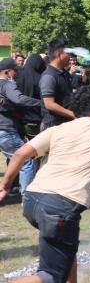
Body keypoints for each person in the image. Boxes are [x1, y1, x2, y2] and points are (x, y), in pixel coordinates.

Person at [0, 85, 90, 283]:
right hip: (60, 207)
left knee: (67, 250)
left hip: (33, 200)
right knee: (50, 276)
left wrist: (4, 187)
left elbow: (20, 154)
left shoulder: (57, 130)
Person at [0, 58, 42, 194]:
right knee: (25, 160)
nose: (17, 74)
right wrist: (41, 103)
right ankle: (28, 198)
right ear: (7, 72)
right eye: (15, 71)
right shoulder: (7, 84)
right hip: (6, 130)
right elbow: (19, 99)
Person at [39, 39, 75, 130]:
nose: (70, 57)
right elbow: (49, 104)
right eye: (68, 53)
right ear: (59, 55)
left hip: (65, 123)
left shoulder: (64, 72)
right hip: (53, 125)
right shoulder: (49, 76)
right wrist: (73, 114)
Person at [15, 54, 45, 140]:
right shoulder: (40, 78)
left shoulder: (17, 75)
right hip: (36, 120)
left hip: (19, 118)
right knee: (37, 148)